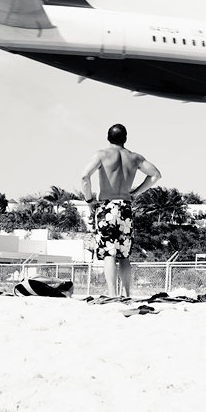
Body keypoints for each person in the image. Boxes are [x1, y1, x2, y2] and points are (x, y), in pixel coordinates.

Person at [79, 123, 161, 299]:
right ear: (125, 138)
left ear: (108, 138)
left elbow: (85, 177)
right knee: (124, 255)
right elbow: (155, 175)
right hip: (125, 206)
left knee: (110, 253)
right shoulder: (134, 157)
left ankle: (112, 295)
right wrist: (136, 192)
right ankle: (127, 294)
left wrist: (89, 201)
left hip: (107, 206)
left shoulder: (102, 154)